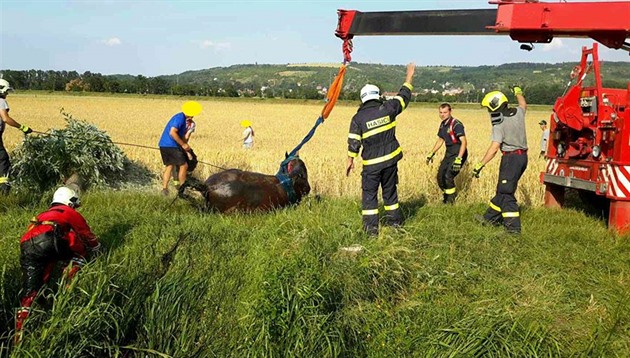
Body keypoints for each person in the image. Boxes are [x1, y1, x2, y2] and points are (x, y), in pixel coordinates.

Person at [15, 186, 102, 335]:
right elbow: (86, 234)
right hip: (49, 239)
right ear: (69, 201)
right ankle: (68, 282)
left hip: (27, 244)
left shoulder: (43, 214)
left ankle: (19, 332)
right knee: (80, 249)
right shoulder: (68, 212)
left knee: (32, 289)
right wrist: (97, 249)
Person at [346, 62, 416, 236]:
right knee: (390, 193)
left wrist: (350, 159)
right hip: (390, 162)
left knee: (369, 196)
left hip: (371, 166)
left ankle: (371, 232)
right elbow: (404, 97)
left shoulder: (358, 118)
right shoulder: (388, 108)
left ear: (363, 98)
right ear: (377, 95)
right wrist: (409, 77)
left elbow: (354, 141)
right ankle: (395, 226)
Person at [473, 86, 528, 234]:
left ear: (494, 106)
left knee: (506, 193)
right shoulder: (518, 113)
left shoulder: (499, 124)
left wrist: (480, 164)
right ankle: (489, 219)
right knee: (502, 190)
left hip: (511, 159)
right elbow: (523, 104)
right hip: (523, 158)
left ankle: (513, 229)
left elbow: (494, 148)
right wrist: (518, 92)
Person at [426, 103, 468, 204]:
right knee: (440, 177)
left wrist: (459, 159)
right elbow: (441, 140)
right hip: (449, 152)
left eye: (445, 112)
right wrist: (432, 153)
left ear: (450, 112)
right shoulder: (443, 124)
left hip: (458, 151)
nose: (442, 114)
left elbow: (464, 142)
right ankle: (446, 197)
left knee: (448, 176)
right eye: (440, 112)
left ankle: (450, 202)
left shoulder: (456, 124)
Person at [158, 101, 202, 196]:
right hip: (171, 145)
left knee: (169, 166)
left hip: (164, 144)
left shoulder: (180, 118)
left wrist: (187, 150)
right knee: (184, 165)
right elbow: (172, 133)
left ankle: (164, 189)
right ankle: (182, 190)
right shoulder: (180, 118)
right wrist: (183, 145)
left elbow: (184, 137)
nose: (193, 116)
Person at [0, 79, 33, 195]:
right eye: (6, 91)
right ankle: (4, 193)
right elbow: (5, 118)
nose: (7, 94)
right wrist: (23, 127)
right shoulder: (1, 101)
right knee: (3, 161)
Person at [172, 117, 196, 187]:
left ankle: (185, 177)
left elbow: (186, 137)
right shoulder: (179, 121)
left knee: (193, 159)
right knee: (175, 164)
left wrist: (186, 150)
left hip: (183, 143)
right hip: (173, 144)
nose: (191, 117)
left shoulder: (192, 124)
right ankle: (176, 183)